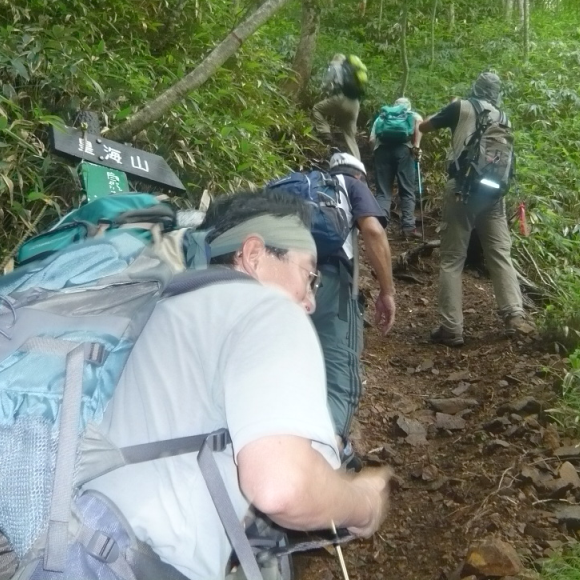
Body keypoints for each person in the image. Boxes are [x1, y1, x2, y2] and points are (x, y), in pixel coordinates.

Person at [88, 190, 391, 580]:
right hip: (144, 565)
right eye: (309, 275)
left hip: (81, 544)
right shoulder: (268, 309)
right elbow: (280, 486)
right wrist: (363, 501)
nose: (311, 301)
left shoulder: (163, 309)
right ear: (253, 255)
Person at [418, 71, 527, 347]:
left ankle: (451, 328)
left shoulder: (461, 107)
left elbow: (423, 128)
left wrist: (451, 107)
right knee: (500, 253)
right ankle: (515, 315)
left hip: (463, 190)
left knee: (453, 258)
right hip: (494, 195)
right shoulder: (504, 117)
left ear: (475, 88)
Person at [312, 152, 396, 459]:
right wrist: (387, 291)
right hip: (329, 282)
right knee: (340, 374)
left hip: (277, 280)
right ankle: (330, 455)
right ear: (360, 176)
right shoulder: (352, 185)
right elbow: (373, 231)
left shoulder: (307, 186)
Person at [370, 97, 423, 238]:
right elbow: (419, 124)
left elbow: (371, 140)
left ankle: (381, 228)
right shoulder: (413, 115)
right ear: (408, 106)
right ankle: (408, 228)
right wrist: (417, 146)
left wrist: (375, 153)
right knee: (407, 190)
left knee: (383, 192)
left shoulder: (383, 116)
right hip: (404, 151)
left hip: (381, 151)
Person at [311, 54, 368, 160]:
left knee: (317, 109)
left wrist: (323, 91)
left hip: (341, 99)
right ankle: (356, 164)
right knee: (350, 136)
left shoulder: (335, 66)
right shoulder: (353, 71)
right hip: (355, 103)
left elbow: (327, 82)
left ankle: (325, 132)